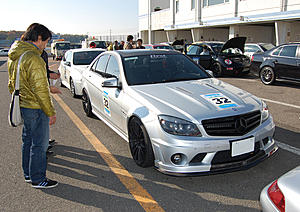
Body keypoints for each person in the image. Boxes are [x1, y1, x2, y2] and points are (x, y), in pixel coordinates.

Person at [8, 23, 58, 189]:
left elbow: (11, 83)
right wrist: (50, 112)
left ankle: (29, 174)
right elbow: (41, 89)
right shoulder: (33, 58)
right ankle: (38, 178)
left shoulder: (16, 54)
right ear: (38, 38)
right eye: (46, 41)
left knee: (27, 140)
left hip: (24, 104)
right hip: (36, 107)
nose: (46, 46)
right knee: (40, 144)